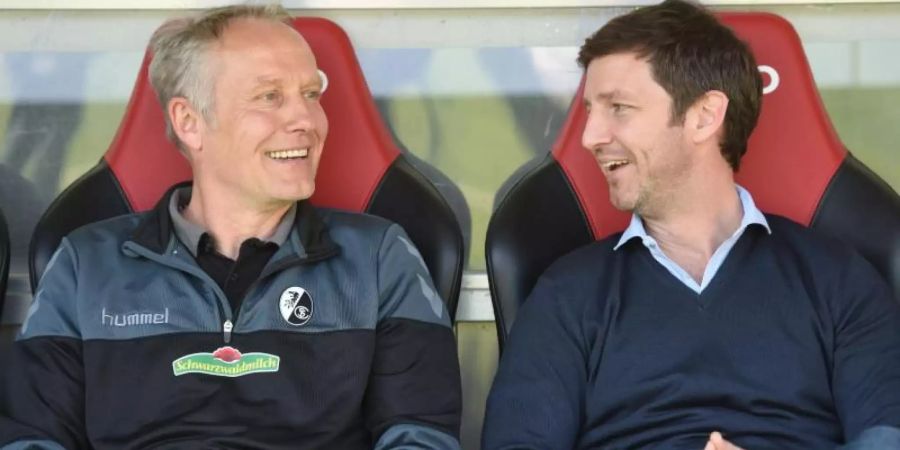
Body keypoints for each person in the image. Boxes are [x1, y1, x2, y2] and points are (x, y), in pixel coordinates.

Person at [0, 5, 462, 449]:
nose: (307, 120)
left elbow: (421, 434)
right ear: (189, 122)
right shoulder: (85, 265)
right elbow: (34, 437)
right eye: (269, 97)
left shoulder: (379, 257)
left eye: (310, 94)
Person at [482, 1, 900, 449]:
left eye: (619, 108)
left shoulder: (838, 281)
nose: (590, 137)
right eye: (589, 110)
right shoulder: (566, 296)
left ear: (704, 117)